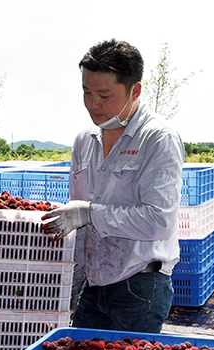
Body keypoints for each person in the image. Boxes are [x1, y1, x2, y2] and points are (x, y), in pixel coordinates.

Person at [42, 39, 184, 334]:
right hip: (93, 285)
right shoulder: (85, 140)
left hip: (139, 286)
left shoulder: (157, 139)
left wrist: (90, 213)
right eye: (86, 92)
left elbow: (158, 221)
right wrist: (72, 284)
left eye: (104, 95)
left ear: (135, 90)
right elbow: (78, 222)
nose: (93, 105)